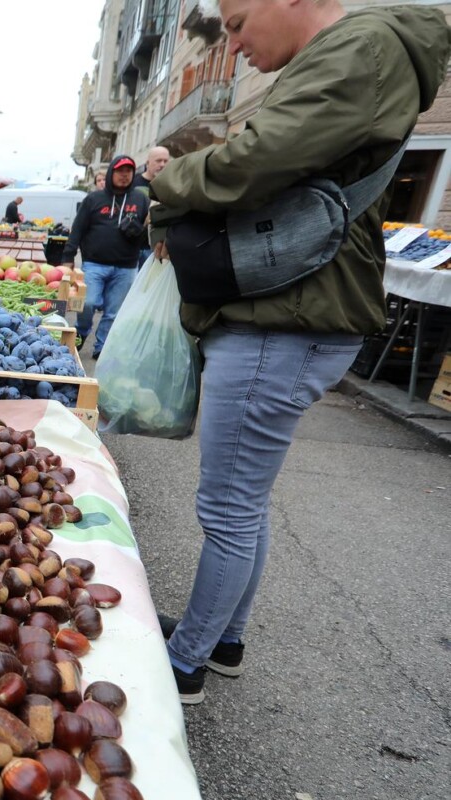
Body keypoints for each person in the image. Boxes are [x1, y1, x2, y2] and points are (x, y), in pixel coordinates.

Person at [149, 0, 449, 705]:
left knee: (226, 507)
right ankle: (221, 638)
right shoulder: (359, 56)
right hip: (295, 316)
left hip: (281, 320)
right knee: (242, 505)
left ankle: (186, 663)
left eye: (238, 20)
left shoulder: (360, 51)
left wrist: (166, 182)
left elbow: (254, 164)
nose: (234, 41)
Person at [62, 154, 149, 358]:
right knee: (88, 302)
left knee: (113, 312)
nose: (124, 175)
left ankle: (101, 347)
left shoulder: (140, 199)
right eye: (120, 171)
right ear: (111, 173)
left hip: (126, 267)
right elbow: (78, 229)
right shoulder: (94, 199)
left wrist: (139, 230)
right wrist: (68, 256)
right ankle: (83, 330)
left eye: (128, 171)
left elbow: (148, 233)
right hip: (94, 264)